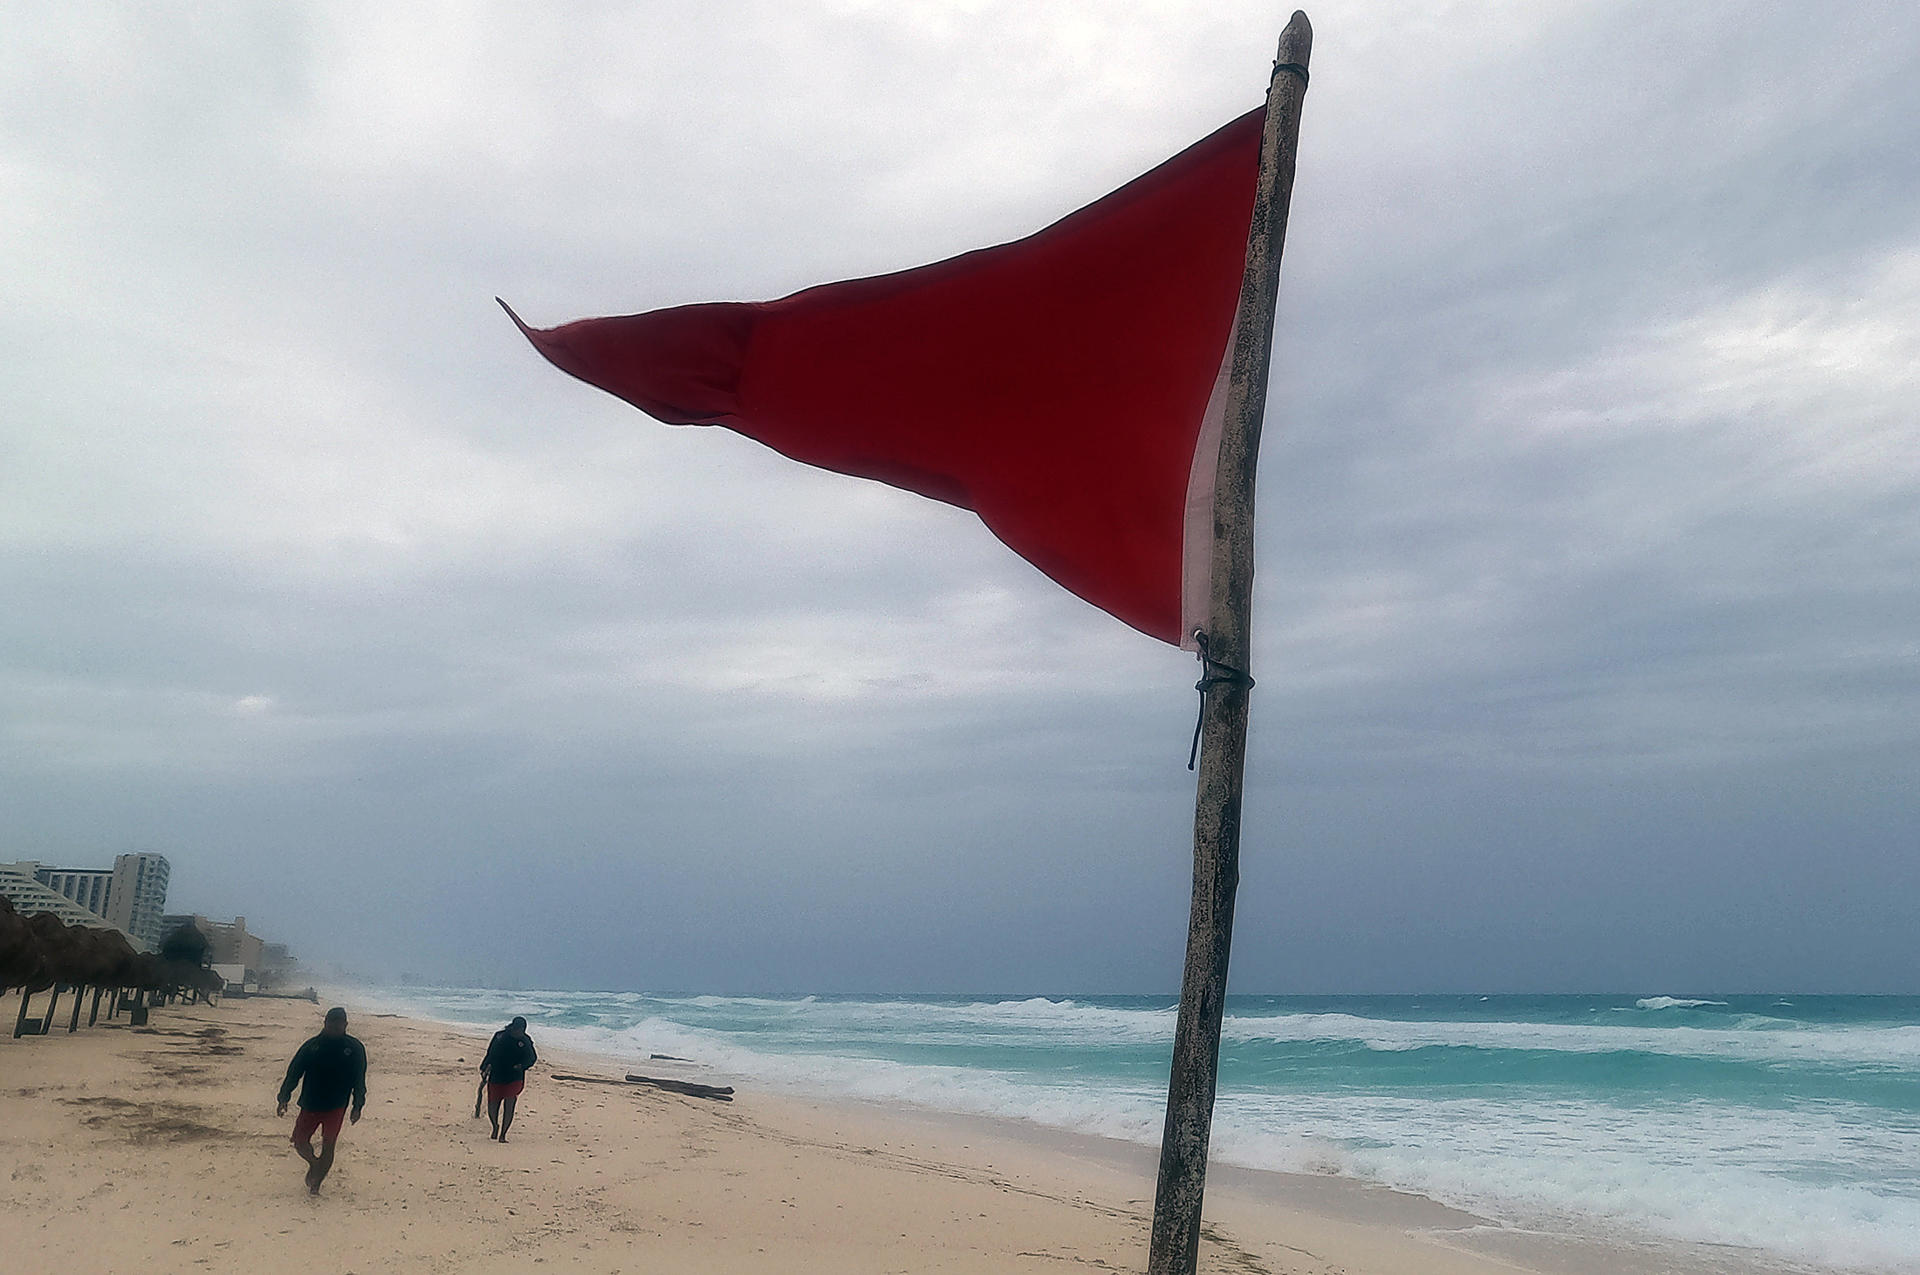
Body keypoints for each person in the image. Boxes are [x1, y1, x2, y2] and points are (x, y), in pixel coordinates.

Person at [276, 1006, 367, 1194]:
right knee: (300, 1142)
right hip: (311, 1103)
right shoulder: (311, 1046)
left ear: (345, 1025)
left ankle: (315, 1185)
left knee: (329, 1144)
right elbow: (294, 1072)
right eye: (331, 1024)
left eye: (338, 1025)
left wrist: (358, 1105)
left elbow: (359, 1079)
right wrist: (284, 1097)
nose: (334, 1028)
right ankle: (314, 1164)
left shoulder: (355, 1048)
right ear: (325, 1023)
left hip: (337, 1105)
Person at [479, 1015, 537, 1142]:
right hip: (497, 1074)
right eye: (518, 1030)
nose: (520, 1033)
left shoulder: (525, 1040)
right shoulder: (500, 1037)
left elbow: (532, 1058)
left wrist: (522, 1066)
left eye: (522, 1031)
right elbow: (490, 1054)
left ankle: (503, 1134)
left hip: (515, 1076)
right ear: (513, 1028)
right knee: (492, 1106)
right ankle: (495, 1126)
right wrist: (484, 1067)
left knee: (510, 1103)